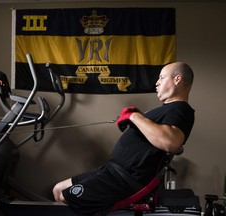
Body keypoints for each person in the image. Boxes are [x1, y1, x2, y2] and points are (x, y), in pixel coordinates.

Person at [52, 62, 195, 216]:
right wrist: (136, 119)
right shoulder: (164, 109)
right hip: (111, 171)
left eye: (162, 77)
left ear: (177, 79)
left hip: (124, 180)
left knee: (63, 196)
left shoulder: (180, 109)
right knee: (58, 189)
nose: (157, 82)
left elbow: (170, 142)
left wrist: (134, 116)